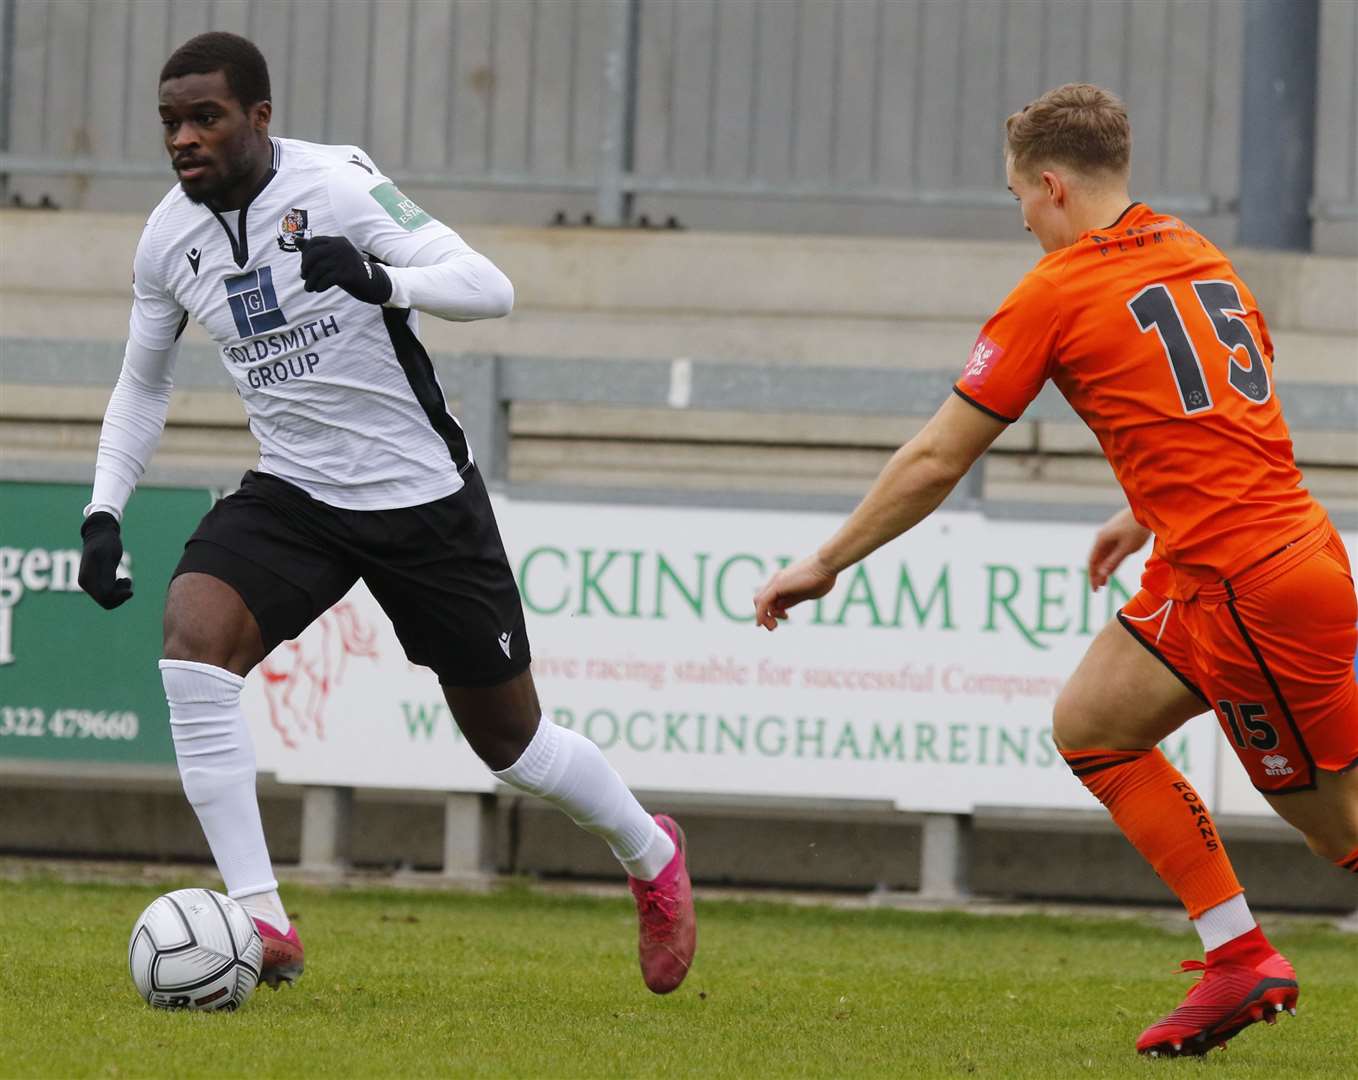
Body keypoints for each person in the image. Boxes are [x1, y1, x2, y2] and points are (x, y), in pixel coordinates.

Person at [77, 32, 695, 995]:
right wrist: (103, 510)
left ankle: (651, 856)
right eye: (170, 122)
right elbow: (141, 385)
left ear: (260, 117)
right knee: (193, 646)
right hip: (295, 493)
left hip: (421, 500)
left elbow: (491, 288)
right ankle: (263, 919)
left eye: (206, 117)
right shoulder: (168, 238)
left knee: (515, 749)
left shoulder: (340, 185)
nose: (184, 139)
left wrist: (383, 279)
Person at [754, 83, 1357, 1057]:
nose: (1022, 220)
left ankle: (1244, 959)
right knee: (1089, 728)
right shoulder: (1192, 252)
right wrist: (1143, 509)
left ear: (1049, 187)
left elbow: (935, 459)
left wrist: (825, 560)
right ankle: (1237, 955)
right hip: (1248, 563)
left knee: (1339, 833)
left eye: (1015, 200)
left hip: (1249, 592)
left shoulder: (1057, 288)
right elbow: (1223, 404)